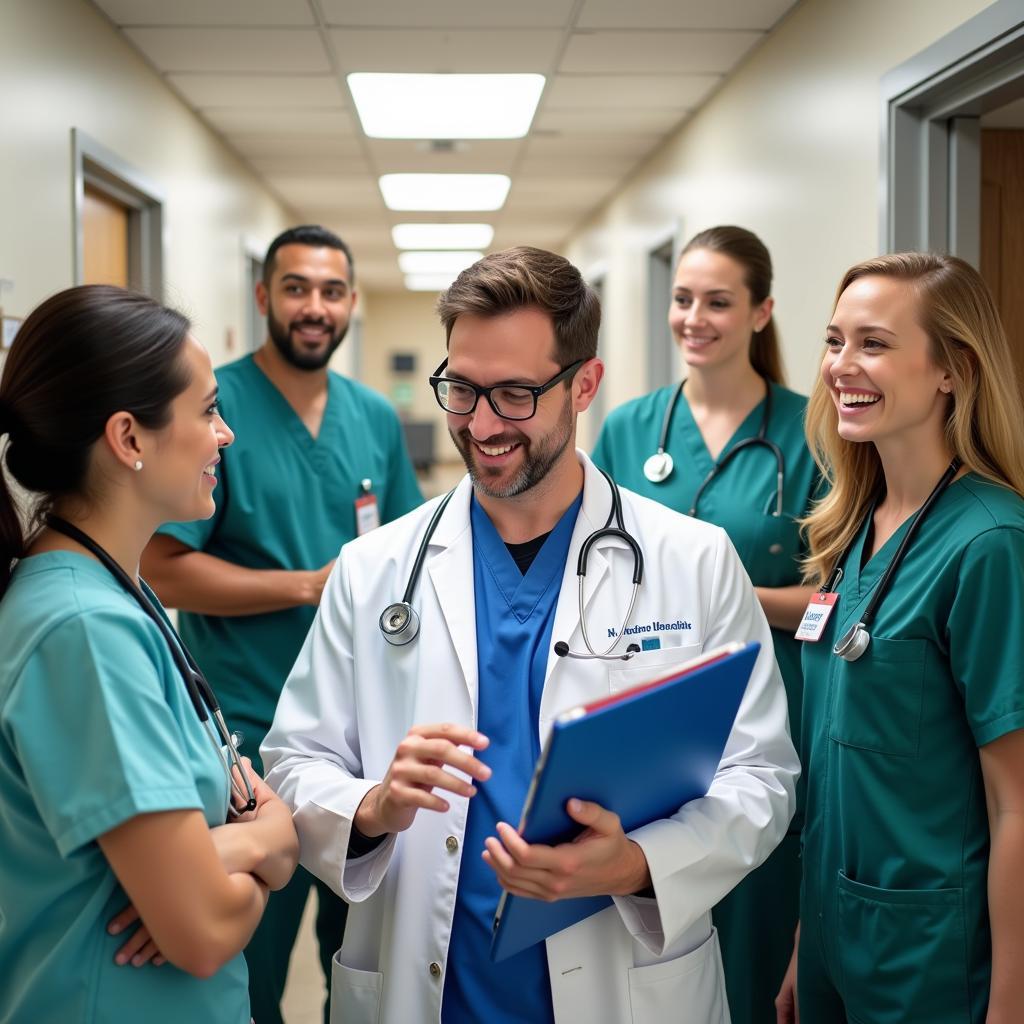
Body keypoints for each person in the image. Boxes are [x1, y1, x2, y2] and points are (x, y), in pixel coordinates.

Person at [261, 246, 799, 1024]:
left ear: (584, 384)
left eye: (515, 394)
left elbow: (763, 776)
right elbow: (293, 763)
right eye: (462, 389)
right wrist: (371, 807)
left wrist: (639, 863)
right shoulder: (374, 567)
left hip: (627, 985)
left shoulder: (694, 560)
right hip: (428, 987)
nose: (480, 424)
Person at [141, 224, 423, 1023]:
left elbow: (412, 550)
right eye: (296, 288)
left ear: (351, 305)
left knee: (364, 957)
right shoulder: (209, 405)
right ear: (264, 298)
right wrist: (308, 587)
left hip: (365, 739)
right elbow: (165, 568)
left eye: (331, 291)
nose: (314, 307)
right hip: (249, 740)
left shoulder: (371, 416)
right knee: (247, 967)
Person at [0, 285, 299, 1022]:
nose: (225, 435)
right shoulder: (82, 630)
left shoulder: (115, 591)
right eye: (207, 411)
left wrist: (236, 849)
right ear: (130, 439)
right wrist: (263, 842)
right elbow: (199, 931)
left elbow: (267, 839)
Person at [775, 253, 1024, 1023]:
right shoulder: (858, 528)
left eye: (873, 344)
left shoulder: (990, 543)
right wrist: (802, 944)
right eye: (833, 340)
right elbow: (839, 775)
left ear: (952, 368)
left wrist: (1011, 1003)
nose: (840, 367)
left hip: (929, 955)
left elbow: (1016, 803)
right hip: (833, 942)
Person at [591, 225, 817, 1024]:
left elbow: (835, 598)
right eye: (683, 299)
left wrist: (725, 596)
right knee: (648, 924)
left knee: (751, 920)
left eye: (718, 302)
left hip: (772, 705)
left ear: (761, 313)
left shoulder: (814, 430)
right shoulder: (628, 429)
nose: (695, 317)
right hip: (650, 708)